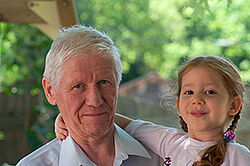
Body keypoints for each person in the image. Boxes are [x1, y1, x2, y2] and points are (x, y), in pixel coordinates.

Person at [55, 56, 250, 165]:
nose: (197, 100)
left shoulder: (237, 156)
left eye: (210, 92)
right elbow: (124, 123)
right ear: (179, 106)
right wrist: (70, 115)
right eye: (189, 92)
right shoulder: (170, 143)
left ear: (233, 105)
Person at [16, 24, 163, 166]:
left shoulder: (163, 157)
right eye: (78, 86)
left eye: (104, 82)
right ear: (50, 91)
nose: (95, 101)